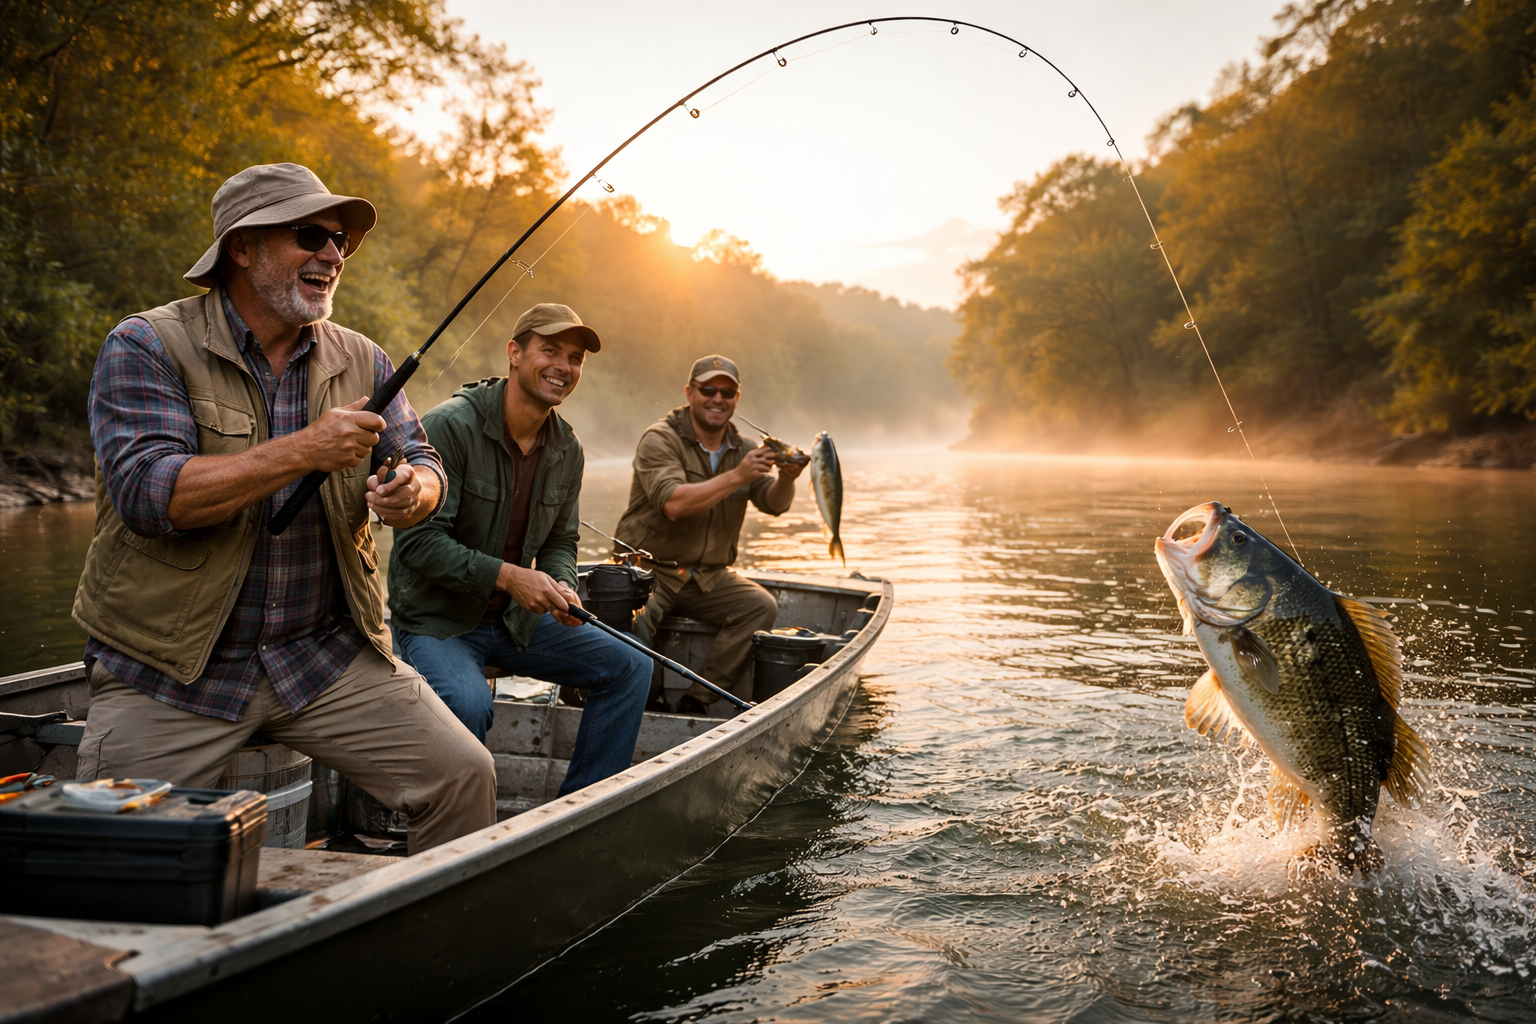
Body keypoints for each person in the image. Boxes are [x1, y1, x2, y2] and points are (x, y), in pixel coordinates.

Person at [71, 163, 496, 854]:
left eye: (340, 241)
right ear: (243, 249)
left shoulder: (364, 358)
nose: (332, 254)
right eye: (310, 235)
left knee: (465, 776)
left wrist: (412, 493)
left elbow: (425, 463)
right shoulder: (147, 344)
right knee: (98, 858)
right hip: (170, 673)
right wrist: (304, 450)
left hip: (325, 659)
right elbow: (152, 495)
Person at [388, 304, 651, 794]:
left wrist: (564, 586)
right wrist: (511, 577)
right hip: (437, 622)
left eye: (574, 358)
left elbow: (561, 542)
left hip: (515, 623)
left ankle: (579, 811)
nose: (564, 367)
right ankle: (455, 837)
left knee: (632, 666)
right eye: (549, 350)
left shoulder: (567, 449)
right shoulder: (449, 427)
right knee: (468, 705)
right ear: (514, 353)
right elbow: (418, 546)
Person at [613, 355, 806, 714]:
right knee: (632, 616)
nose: (718, 399)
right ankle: (644, 701)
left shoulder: (745, 448)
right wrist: (737, 476)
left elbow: (774, 504)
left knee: (759, 606)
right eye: (708, 390)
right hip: (649, 570)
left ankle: (697, 701)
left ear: (737, 398)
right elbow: (672, 503)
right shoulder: (660, 439)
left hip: (708, 577)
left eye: (727, 392)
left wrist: (787, 479)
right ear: (690, 393)